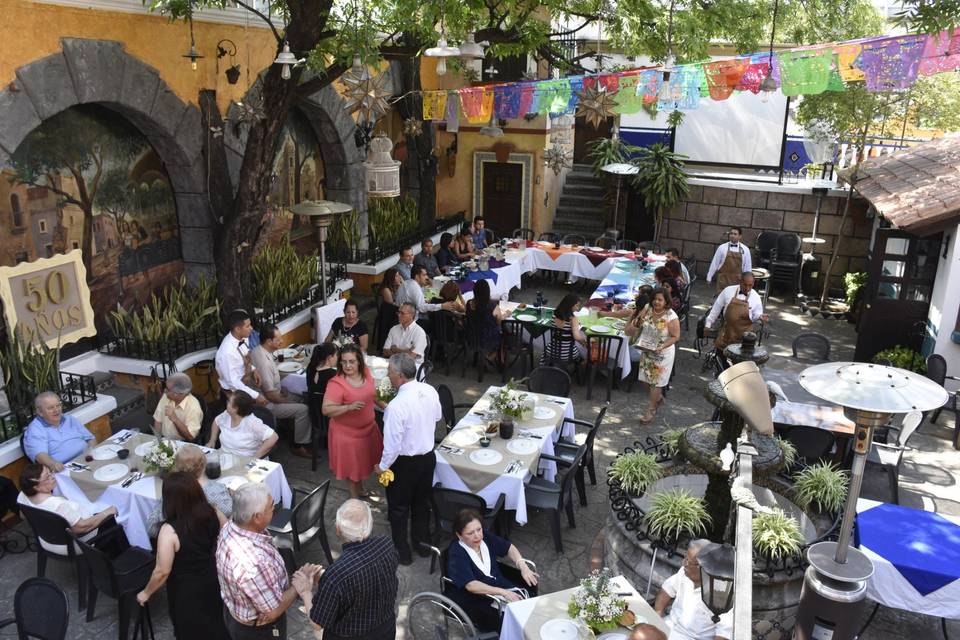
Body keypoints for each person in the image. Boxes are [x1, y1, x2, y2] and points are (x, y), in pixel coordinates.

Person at [216, 483, 322, 639]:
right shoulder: (254, 563)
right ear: (257, 517)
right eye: (271, 507)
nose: (275, 508)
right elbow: (273, 611)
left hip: (237, 615)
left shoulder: (232, 526)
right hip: (259, 633)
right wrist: (300, 584)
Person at [137, 472, 229, 640]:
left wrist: (146, 592)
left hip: (186, 588)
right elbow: (228, 534)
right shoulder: (213, 511)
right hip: (213, 575)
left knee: (191, 629)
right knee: (217, 620)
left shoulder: (169, 531)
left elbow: (162, 571)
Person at [294, 499, 398, 640]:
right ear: (370, 524)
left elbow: (317, 623)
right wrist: (326, 580)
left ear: (338, 529)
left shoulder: (336, 576)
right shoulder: (386, 545)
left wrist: (305, 591)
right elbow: (366, 576)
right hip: (385, 630)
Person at [374, 353, 441, 565]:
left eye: (390, 373)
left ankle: (402, 552)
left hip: (403, 464)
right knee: (421, 504)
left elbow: (392, 445)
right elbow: (438, 416)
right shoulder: (429, 390)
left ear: (400, 375)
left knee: (399, 508)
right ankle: (421, 546)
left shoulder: (396, 406)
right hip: (428, 458)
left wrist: (382, 467)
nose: (388, 376)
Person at [446, 508, 539, 632]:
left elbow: (509, 548)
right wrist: (502, 592)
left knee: (529, 602)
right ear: (459, 535)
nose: (477, 535)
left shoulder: (485, 537)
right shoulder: (457, 552)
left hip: (499, 585)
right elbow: (471, 585)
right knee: (507, 620)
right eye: (470, 533)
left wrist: (523, 566)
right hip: (476, 598)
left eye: (478, 529)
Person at [322, 344, 382, 500]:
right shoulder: (336, 384)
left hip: (368, 430)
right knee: (352, 470)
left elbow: (373, 395)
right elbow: (326, 410)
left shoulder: (366, 373)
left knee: (363, 465)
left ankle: (361, 490)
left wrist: (388, 408)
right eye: (344, 362)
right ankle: (355, 500)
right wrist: (348, 407)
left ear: (359, 362)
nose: (347, 365)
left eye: (351, 361)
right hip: (347, 436)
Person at [17, 463, 119, 555]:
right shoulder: (58, 505)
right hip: (73, 544)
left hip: (46, 539)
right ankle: (115, 560)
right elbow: (82, 528)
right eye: (47, 477)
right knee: (114, 519)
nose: (52, 476)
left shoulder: (22, 496)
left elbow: (23, 515)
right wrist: (108, 512)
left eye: (50, 472)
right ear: (36, 487)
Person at [249, 324, 312, 458]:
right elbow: (271, 395)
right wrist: (288, 400)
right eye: (278, 340)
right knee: (304, 409)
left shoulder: (260, 350)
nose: (281, 342)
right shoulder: (263, 362)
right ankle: (298, 445)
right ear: (269, 341)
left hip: (272, 394)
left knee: (301, 397)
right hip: (267, 405)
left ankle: (295, 430)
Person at [145, 445, 234, 538]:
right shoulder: (217, 490)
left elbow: (152, 527)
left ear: (177, 467)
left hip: (181, 546)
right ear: (204, 464)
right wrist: (233, 496)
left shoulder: (172, 491)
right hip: (210, 544)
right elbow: (230, 512)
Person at [654, 539, 732, 640]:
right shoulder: (685, 572)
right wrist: (657, 614)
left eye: (688, 562)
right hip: (669, 625)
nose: (683, 564)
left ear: (703, 567)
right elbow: (667, 589)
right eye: (685, 558)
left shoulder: (722, 593)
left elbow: (723, 634)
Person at [626, 288, 680, 424]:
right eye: (655, 299)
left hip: (662, 353)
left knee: (655, 383)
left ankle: (651, 409)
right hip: (647, 348)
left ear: (666, 301)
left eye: (660, 300)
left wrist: (661, 346)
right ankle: (658, 398)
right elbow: (638, 323)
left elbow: (675, 337)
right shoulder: (647, 308)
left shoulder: (671, 316)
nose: (656, 302)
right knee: (645, 379)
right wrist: (639, 320)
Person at [23, 391, 95, 472]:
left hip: (87, 459)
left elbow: (90, 438)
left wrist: (92, 451)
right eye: (50, 408)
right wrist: (53, 464)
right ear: (40, 412)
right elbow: (39, 455)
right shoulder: (35, 429)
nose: (56, 410)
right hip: (65, 469)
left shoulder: (69, 419)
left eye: (58, 405)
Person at [705, 271, 769, 352]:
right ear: (740, 281)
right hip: (726, 335)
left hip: (745, 341)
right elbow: (716, 308)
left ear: (754, 283)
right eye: (745, 285)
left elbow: (756, 315)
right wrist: (708, 324)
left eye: (750, 285)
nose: (747, 288)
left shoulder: (756, 297)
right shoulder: (728, 291)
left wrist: (760, 317)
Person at [215, 309, 267, 406]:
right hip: (234, 393)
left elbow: (245, 357)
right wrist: (255, 395)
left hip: (246, 382)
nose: (251, 328)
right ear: (237, 329)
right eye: (247, 326)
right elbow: (233, 383)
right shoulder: (226, 352)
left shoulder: (243, 337)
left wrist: (253, 370)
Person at [207, 391, 279, 458]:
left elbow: (273, 437)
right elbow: (216, 421)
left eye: (229, 402)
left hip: (243, 462)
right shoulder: (227, 414)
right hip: (225, 457)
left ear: (235, 409)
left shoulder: (252, 423)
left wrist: (256, 456)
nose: (226, 402)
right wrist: (212, 440)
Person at [152, 373, 204, 441]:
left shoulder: (194, 408)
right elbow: (158, 421)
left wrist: (175, 419)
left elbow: (190, 437)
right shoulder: (166, 396)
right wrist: (157, 440)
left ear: (176, 394)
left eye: (167, 389)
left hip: (182, 443)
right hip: (163, 440)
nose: (164, 391)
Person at [464, 279, 507, 360]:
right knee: (504, 332)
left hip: (472, 337)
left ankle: (484, 357)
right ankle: (491, 357)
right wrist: (506, 315)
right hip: (488, 339)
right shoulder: (492, 306)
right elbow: (499, 322)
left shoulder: (469, 304)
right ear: (488, 291)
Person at [539, 293, 587, 366]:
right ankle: (582, 366)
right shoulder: (573, 319)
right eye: (577, 305)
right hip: (567, 354)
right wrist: (585, 343)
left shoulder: (554, 315)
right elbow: (577, 337)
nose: (578, 308)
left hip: (551, 350)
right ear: (570, 305)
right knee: (582, 350)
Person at [382, 303, 429, 368]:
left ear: (411, 315)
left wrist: (395, 349)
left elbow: (410, 357)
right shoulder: (394, 329)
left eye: (402, 313)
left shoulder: (419, 333)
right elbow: (385, 351)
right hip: (394, 365)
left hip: (412, 367)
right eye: (398, 312)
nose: (399, 315)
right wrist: (406, 351)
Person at [706, 227, 752, 293]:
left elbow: (747, 267)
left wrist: (748, 282)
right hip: (723, 280)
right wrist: (709, 277)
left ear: (740, 236)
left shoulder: (745, 250)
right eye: (731, 233)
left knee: (734, 301)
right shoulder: (722, 248)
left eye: (735, 234)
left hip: (737, 282)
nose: (732, 235)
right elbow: (715, 263)